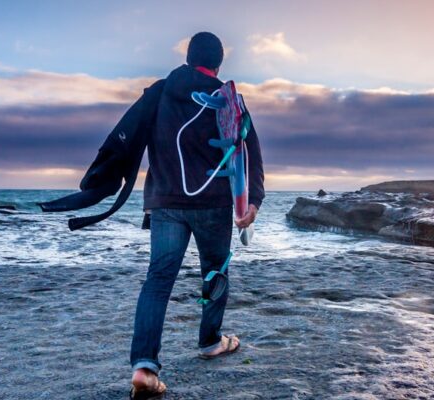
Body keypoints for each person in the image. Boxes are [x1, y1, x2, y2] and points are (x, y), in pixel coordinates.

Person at [129, 31, 265, 397]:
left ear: (188, 59)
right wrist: (254, 200)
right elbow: (249, 148)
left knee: (157, 281)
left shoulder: (159, 93)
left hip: (165, 203)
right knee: (215, 272)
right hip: (212, 204)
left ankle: (144, 367)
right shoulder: (227, 99)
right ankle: (209, 342)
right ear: (218, 64)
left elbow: (130, 136)